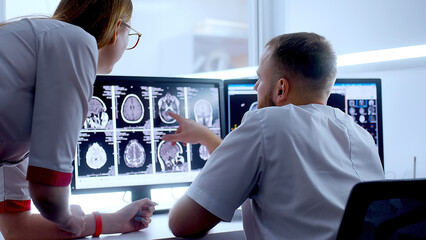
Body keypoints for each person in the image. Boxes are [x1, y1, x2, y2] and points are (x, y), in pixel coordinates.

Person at [163, 32, 385, 239]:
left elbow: (182, 223)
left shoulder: (264, 123)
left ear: (281, 89)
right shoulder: (362, 136)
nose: (256, 87)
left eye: (260, 78)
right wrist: (205, 136)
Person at [0, 0, 156, 239]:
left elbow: (16, 228)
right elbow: (48, 191)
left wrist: (112, 222)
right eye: (131, 33)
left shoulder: (22, 100)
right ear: (117, 29)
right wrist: (66, 216)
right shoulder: (76, 41)